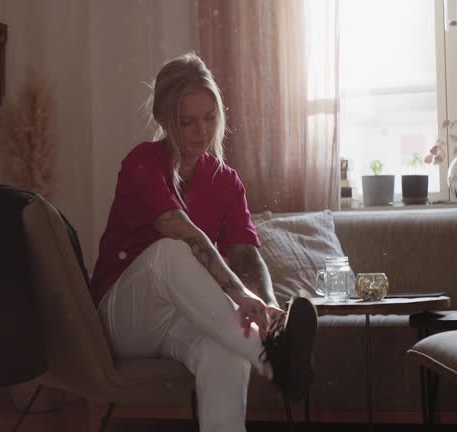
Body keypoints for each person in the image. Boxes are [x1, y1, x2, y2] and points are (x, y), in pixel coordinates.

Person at [90, 52, 317, 432]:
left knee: (226, 355)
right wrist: (240, 295)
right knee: (170, 251)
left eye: (210, 118)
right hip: (125, 318)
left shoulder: (226, 180)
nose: (201, 131)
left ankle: (274, 345)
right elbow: (181, 230)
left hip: (181, 316)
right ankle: (272, 358)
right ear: (163, 120)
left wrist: (269, 309)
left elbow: (245, 255)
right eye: (187, 122)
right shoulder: (142, 162)